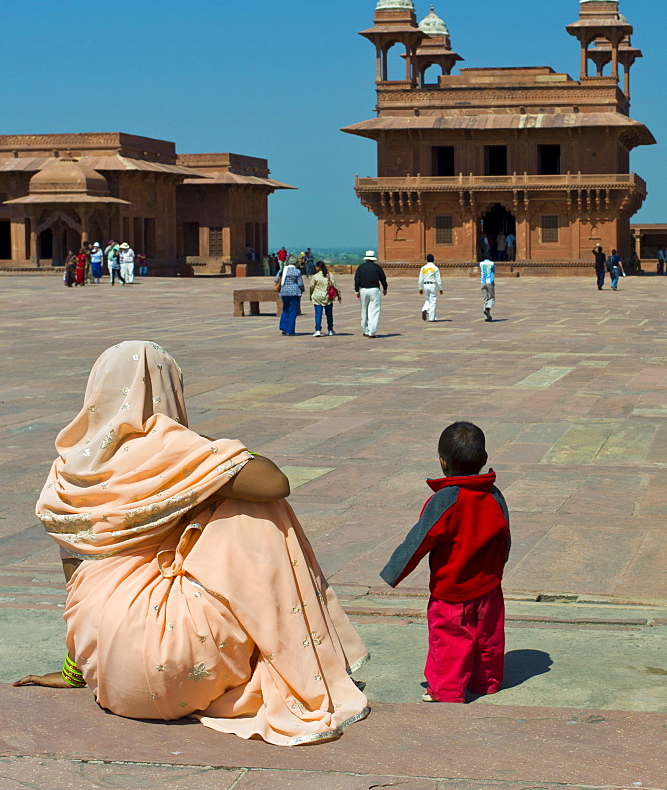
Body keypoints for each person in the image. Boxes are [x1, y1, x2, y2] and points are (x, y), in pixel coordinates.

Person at [13, 341, 369, 746]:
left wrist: (75, 671)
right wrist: (208, 450)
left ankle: (91, 666)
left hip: (112, 680)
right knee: (257, 508)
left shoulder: (69, 467)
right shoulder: (173, 450)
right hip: (183, 668)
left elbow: (76, 579)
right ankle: (294, 654)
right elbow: (275, 482)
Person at [380, 421, 510, 704]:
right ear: (483, 460)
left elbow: (418, 540)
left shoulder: (445, 499)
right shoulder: (494, 495)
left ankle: (447, 691)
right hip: (489, 587)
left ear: (442, 462)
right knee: (488, 638)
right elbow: (504, 539)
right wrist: (497, 571)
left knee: (450, 641)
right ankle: (486, 682)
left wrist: (393, 572)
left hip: (451, 593)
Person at [354, 250, 387, 338]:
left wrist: (357, 290)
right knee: (374, 311)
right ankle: (371, 332)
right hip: (374, 290)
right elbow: (383, 278)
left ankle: (365, 330)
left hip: (363, 290)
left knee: (364, 310)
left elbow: (357, 279)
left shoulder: (361, 267)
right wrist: (385, 288)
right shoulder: (377, 267)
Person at [310, 260, 341, 336]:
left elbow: (311, 287)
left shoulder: (315, 276)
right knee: (329, 314)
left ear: (318, 267)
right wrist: (339, 295)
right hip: (327, 297)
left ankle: (318, 330)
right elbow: (335, 286)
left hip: (317, 297)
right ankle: (330, 329)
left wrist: (311, 295)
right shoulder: (330, 275)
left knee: (318, 314)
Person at [275, 255, 304, 335]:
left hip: (284, 291)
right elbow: (300, 283)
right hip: (294, 292)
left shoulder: (283, 270)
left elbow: (276, 279)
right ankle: (290, 330)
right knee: (292, 311)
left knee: (285, 309)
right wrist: (302, 289)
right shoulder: (297, 271)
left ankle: (284, 327)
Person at [418, 254, 443, 322]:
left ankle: (424, 309)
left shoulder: (423, 268)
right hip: (432, 285)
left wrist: (420, 288)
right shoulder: (435, 268)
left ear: (427, 259)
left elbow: (421, 279)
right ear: (433, 259)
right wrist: (440, 288)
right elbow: (438, 279)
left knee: (427, 299)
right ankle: (432, 318)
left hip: (425, 285)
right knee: (433, 301)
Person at [480, 256, 495, 321]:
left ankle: (486, 317)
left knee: (485, 299)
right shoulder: (492, 263)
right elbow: (493, 272)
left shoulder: (481, 263)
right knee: (492, 298)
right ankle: (487, 309)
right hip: (489, 282)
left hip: (483, 282)